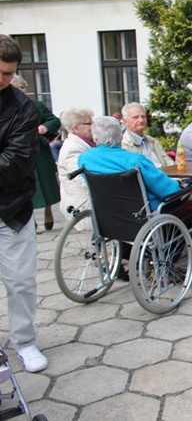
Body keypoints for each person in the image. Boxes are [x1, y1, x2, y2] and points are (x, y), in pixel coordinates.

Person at [0, 34, 48, 372]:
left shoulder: (22, 108)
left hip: (11, 208)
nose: (2, 79)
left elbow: (14, 163)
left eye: (7, 73)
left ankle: (24, 341)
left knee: (20, 281)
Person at [79, 117, 181, 210]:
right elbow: (169, 190)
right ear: (121, 136)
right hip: (145, 212)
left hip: (108, 213)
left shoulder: (84, 158)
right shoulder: (135, 160)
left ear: (95, 138)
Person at [13, 75, 61, 231]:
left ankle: (48, 210)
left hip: (39, 151)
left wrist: (44, 127)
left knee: (45, 184)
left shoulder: (37, 105)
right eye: (17, 88)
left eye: (23, 87)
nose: (21, 90)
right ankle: (30, 218)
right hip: (18, 153)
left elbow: (54, 121)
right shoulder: (7, 109)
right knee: (23, 188)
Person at [57, 107, 96, 221]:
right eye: (89, 123)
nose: (93, 125)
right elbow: (82, 180)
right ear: (76, 128)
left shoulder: (89, 142)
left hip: (94, 200)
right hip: (83, 206)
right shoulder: (72, 149)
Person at [120, 102, 174, 169]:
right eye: (135, 117)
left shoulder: (152, 141)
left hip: (166, 177)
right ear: (125, 122)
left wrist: (177, 178)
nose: (141, 120)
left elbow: (168, 162)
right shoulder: (124, 144)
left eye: (143, 116)